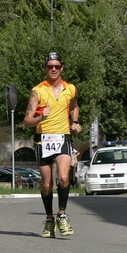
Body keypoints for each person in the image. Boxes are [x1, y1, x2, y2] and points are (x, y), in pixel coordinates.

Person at [23, 52, 82, 238]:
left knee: (64, 177)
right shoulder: (37, 91)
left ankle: (62, 215)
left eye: (57, 65)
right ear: (45, 68)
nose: (53, 69)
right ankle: (49, 219)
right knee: (47, 184)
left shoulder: (70, 88)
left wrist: (74, 121)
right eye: (50, 66)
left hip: (63, 137)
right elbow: (27, 121)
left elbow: (74, 106)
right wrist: (42, 117)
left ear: (62, 68)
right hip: (43, 140)